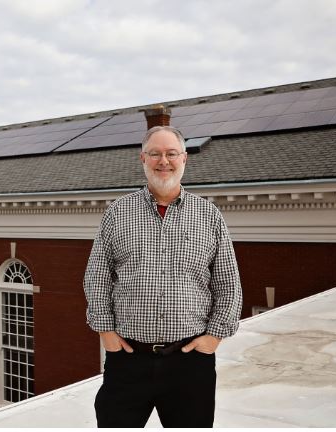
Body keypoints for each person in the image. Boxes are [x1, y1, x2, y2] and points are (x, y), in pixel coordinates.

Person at [83, 125, 242, 428]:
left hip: (190, 362)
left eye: (171, 154)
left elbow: (228, 284)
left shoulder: (209, 216)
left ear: (185, 159)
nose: (163, 161)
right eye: (155, 154)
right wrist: (106, 332)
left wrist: (214, 337)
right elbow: (97, 276)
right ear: (143, 158)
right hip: (128, 360)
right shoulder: (118, 213)